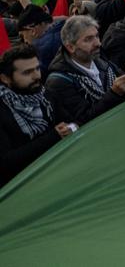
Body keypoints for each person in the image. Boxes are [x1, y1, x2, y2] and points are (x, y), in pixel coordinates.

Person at [0, 44, 73, 185]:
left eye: (37, 68)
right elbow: (5, 162)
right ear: (5, 78)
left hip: (60, 167)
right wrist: (54, 136)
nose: (36, 76)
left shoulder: (45, 94)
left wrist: (70, 128)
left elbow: (72, 122)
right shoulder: (3, 110)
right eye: (27, 73)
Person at [44, 15, 125, 126]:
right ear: (71, 47)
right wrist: (114, 93)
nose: (98, 43)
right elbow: (84, 119)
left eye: (96, 36)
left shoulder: (100, 60)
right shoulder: (58, 81)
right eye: (88, 39)